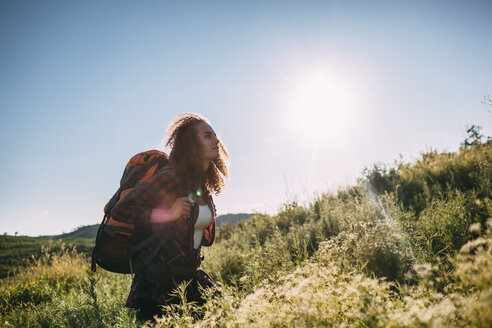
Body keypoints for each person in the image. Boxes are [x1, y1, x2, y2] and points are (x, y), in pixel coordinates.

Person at [111, 113, 229, 322]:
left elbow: (203, 239)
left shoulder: (202, 187)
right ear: (192, 144)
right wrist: (167, 214)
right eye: (207, 136)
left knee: (224, 316)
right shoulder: (170, 176)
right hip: (158, 285)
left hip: (189, 278)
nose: (216, 140)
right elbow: (121, 210)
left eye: (215, 135)